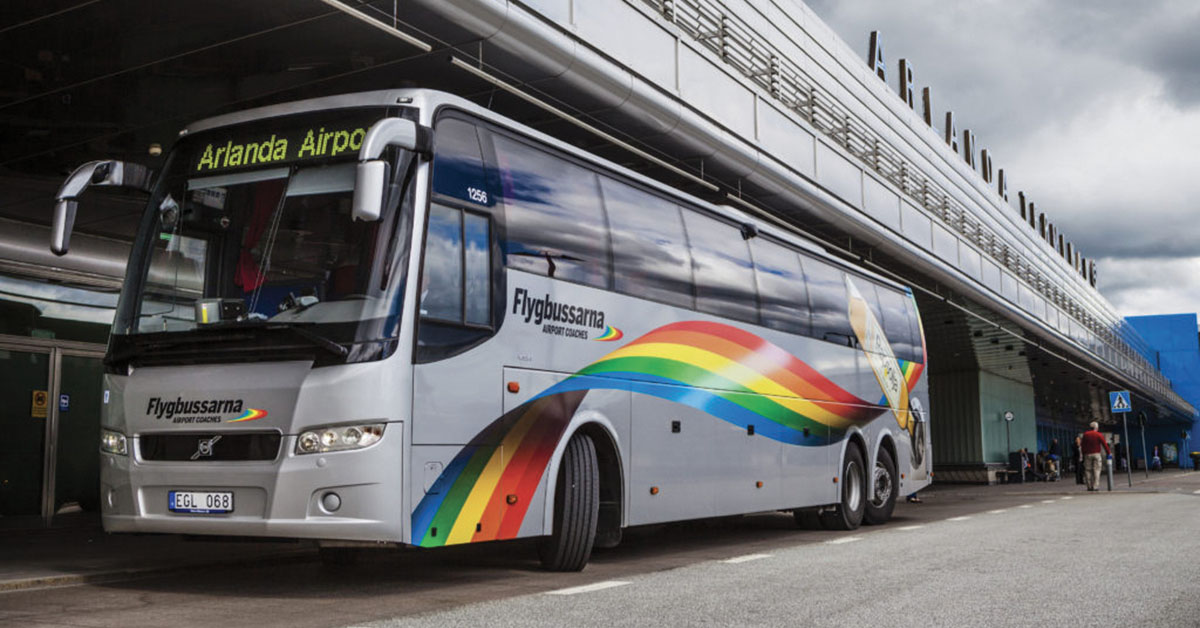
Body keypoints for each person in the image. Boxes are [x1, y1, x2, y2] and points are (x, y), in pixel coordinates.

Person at [1081, 421, 1111, 491]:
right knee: (1096, 470)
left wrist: (1083, 454)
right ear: (1096, 427)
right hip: (1096, 454)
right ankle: (1095, 486)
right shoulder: (1099, 435)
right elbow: (1104, 444)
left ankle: (1089, 486)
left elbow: (1083, 445)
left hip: (1087, 454)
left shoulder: (1085, 435)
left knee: (1088, 470)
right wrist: (1108, 452)